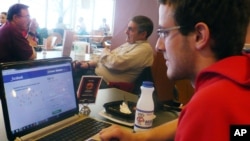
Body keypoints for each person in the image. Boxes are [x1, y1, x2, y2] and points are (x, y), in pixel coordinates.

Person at [99, 0, 250, 141]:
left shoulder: (210, 105)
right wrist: (139, 138)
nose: (159, 46)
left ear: (199, 36)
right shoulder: (238, 79)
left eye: (164, 32)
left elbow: (201, 114)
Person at [75, 15, 154, 88]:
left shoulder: (144, 49)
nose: (126, 32)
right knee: (70, 71)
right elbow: (107, 58)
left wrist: (105, 50)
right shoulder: (130, 44)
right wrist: (89, 64)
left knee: (70, 84)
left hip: (105, 84)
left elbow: (114, 63)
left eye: (130, 29)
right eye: (127, 28)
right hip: (95, 74)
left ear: (143, 34)